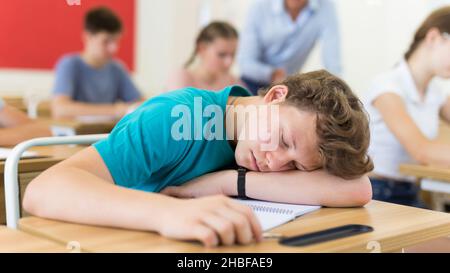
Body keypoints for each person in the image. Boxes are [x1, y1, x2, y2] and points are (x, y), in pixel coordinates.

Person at [24, 70, 373, 247]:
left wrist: (222, 183)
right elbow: (43, 190)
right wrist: (171, 211)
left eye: (295, 166)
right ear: (275, 95)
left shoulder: (252, 143)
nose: (275, 163)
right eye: (283, 139)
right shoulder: (179, 117)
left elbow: (358, 188)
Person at [363, 7, 450, 208]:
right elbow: (422, 151)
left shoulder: (435, 93)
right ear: (434, 37)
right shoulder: (386, 87)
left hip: (410, 192)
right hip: (376, 193)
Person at [51, 7, 143, 119]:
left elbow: (141, 104)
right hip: (77, 135)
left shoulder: (117, 68)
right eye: (106, 41)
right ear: (88, 36)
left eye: (116, 41)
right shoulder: (69, 65)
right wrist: (115, 110)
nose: (114, 48)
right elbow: (61, 109)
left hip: (105, 132)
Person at [238, 0, 342, 94]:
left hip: (289, 87)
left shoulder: (326, 8)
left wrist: (338, 90)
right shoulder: (259, 7)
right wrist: (272, 74)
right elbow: (245, 63)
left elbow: (333, 62)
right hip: (252, 84)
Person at [166, 21, 244, 91]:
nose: (229, 62)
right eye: (222, 55)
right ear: (202, 49)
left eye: (233, 54)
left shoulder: (233, 82)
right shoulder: (181, 77)